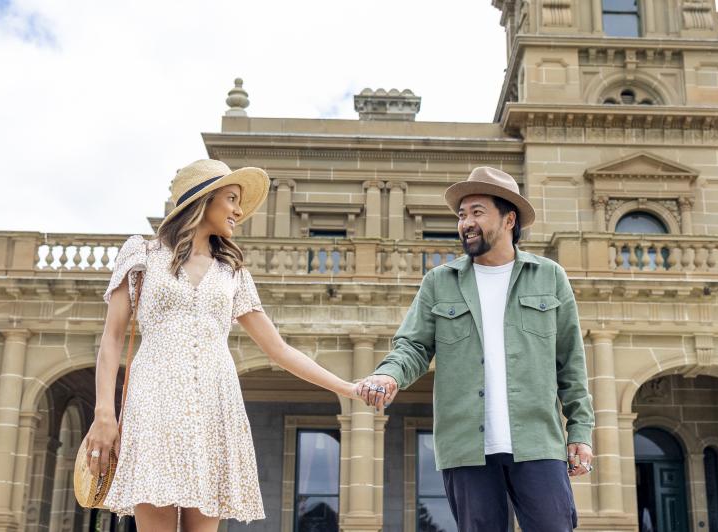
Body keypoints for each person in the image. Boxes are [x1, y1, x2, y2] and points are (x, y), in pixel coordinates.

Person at [82, 159, 360, 531]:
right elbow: (112, 339)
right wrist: (105, 413)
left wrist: (348, 387)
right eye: (231, 198)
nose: (239, 210)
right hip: (155, 402)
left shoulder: (233, 273)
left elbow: (279, 350)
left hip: (214, 405)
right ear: (203, 200)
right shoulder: (142, 255)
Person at [356, 167, 595, 531]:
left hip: (537, 442)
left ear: (509, 218)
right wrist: (389, 373)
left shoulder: (549, 277)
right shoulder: (440, 282)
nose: (466, 222)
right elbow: (413, 345)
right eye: (462, 215)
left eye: (477, 212)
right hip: (466, 446)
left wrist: (579, 432)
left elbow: (570, 364)